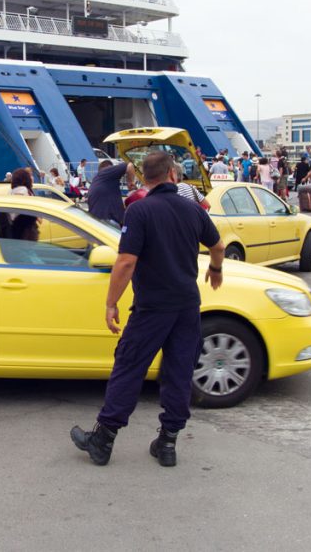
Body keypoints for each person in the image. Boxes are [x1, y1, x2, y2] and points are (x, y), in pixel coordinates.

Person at [70, 151, 224, 468]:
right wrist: (216, 270)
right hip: (186, 306)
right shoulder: (194, 210)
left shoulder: (139, 211)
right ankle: (167, 443)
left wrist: (111, 302)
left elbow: (126, 262)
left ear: (145, 178)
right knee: (179, 372)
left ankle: (103, 440)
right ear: (172, 175)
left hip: (152, 308)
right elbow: (218, 246)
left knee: (129, 368)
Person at [86, 160, 136, 226]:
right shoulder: (107, 172)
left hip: (97, 222)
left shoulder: (97, 180)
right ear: (109, 168)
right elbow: (129, 165)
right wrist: (130, 183)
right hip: (109, 223)